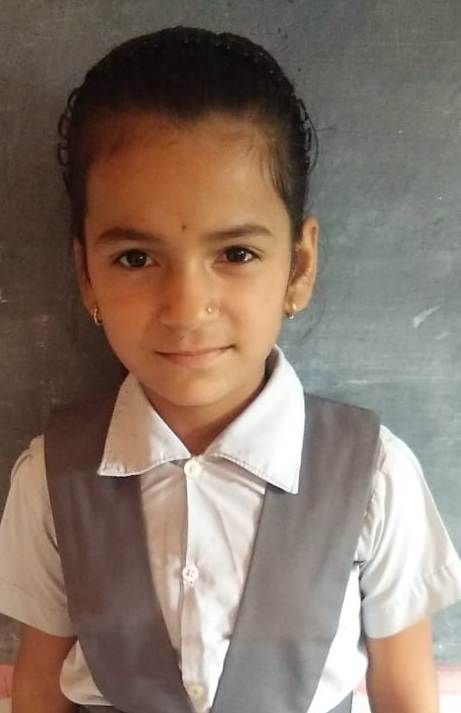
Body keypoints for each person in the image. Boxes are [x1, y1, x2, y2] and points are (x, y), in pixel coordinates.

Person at [0, 26, 460, 713]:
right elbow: (40, 689)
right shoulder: (50, 477)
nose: (187, 308)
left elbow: (403, 693)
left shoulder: (374, 475)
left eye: (236, 253)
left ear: (298, 266)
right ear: (86, 274)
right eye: (134, 258)